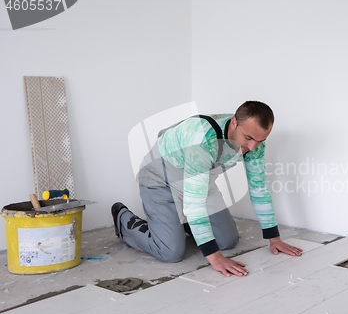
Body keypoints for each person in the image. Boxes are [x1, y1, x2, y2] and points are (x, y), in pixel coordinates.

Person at [111, 101, 302, 277]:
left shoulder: (254, 142)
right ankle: (122, 219)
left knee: (227, 241)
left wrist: (274, 238)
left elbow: (259, 188)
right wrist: (214, 257)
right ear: (234, 122)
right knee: (170, 252)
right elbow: (195, 204)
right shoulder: (202, 139)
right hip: (161, 179)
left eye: (260, 140)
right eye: (249, 138)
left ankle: (182, 221)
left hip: (200, 180)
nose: (253, 147)